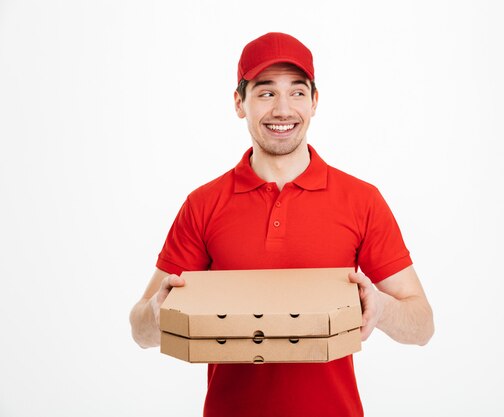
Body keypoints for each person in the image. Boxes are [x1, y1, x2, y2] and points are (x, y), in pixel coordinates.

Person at [130, 32, 434, 417]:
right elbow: (140, 331)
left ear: (314, 101)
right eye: (266, 92)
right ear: (240, 103)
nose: (283, 109)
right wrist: (158, 314)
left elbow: (422, 325)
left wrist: (380, 308)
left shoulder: (361, 200)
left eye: (297, 92)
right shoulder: (203, 205)